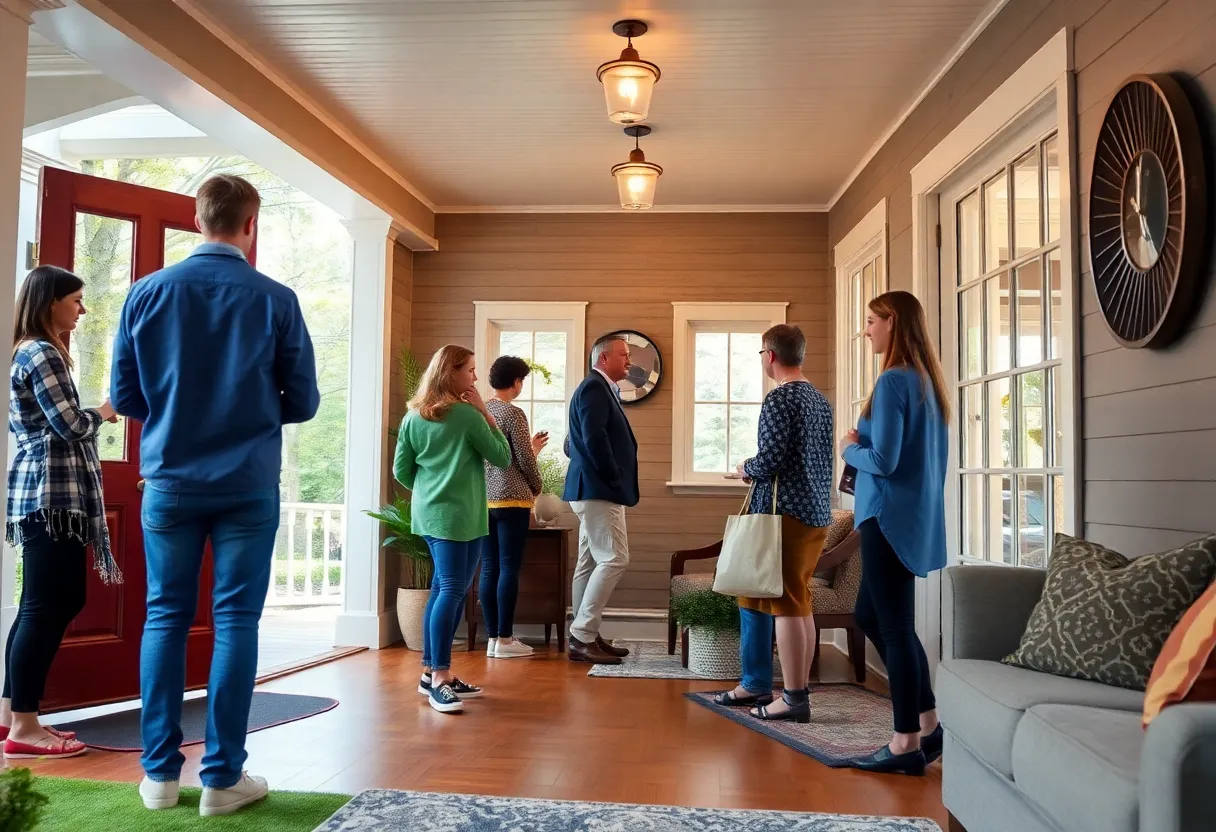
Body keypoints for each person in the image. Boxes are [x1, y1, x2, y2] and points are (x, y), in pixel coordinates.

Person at [111, 175, 320, 814]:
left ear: (198, 220)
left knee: (165, 617)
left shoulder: (145, 294)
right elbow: (305, 401)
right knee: (235, 621)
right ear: (250, 225)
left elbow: (125, 398)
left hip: (170, 481)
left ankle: (159, 778)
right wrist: (249, 409)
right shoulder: (276, 299)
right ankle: (223, 779)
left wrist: (178, 412)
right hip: (247, 484)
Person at [2, 266, 120, 761]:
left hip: (45, 497)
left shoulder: (31, 351)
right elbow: (71, 425)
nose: (82, 309)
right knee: (50, 605)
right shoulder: (41, 351)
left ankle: (12, 715)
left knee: (43, 604)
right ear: (50, 302)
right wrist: (108, 411)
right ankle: (25, 728)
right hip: (51, 498)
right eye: (75, 300)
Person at [840, 290, 949, 776]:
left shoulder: (891, 383)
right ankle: (927, 722)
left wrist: (848, 448)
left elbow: (882, 461)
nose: (866, 330)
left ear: (892, 322)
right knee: (870, 613)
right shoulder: (928, 383)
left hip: (885, 518)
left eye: (870, 321)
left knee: (896, 628)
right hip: (912, 517)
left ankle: (904, 742)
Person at [713, 325, 833, 723]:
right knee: (795, 603)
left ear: (770, 356)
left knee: (787, 606)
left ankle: (794, 697)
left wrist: (744, 467)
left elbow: (770, 460)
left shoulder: (780, 399)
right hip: (814, 512)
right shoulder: (819, 399)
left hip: (784, 517)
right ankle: (757, 683)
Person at [395, 345, 510, 713]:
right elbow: (503, 457)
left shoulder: (412, 416)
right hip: (461, 518)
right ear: (452, 373)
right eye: (471, 370)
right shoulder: (467, 416)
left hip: (431, 516)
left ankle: (430, 673)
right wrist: (485, 414)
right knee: (453, 591)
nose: (475, 378)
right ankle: (440, 677)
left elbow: (402, 470)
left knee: (444, 589)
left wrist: (432, 489)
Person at [562, 334, 638, 664]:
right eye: (624, 355)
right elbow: (592, 438)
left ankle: (585, 632)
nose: (630, 361)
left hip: (590, 489)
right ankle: (582, 636)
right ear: (604, 358)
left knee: (590, 562)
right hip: (598, 490)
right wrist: (612, 476)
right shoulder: (594, 387)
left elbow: (571, 443)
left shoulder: (599, 388)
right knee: (614, 558)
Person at [482, 356, 548, 659]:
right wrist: (537, 486)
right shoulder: (514, 413)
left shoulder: (479, 410)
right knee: (509, 566)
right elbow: (522, 459)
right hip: (513, 498)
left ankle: (492, 638)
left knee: (489, 568)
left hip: (482, 499)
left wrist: (531, 448)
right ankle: (506, 640)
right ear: (517, 382)